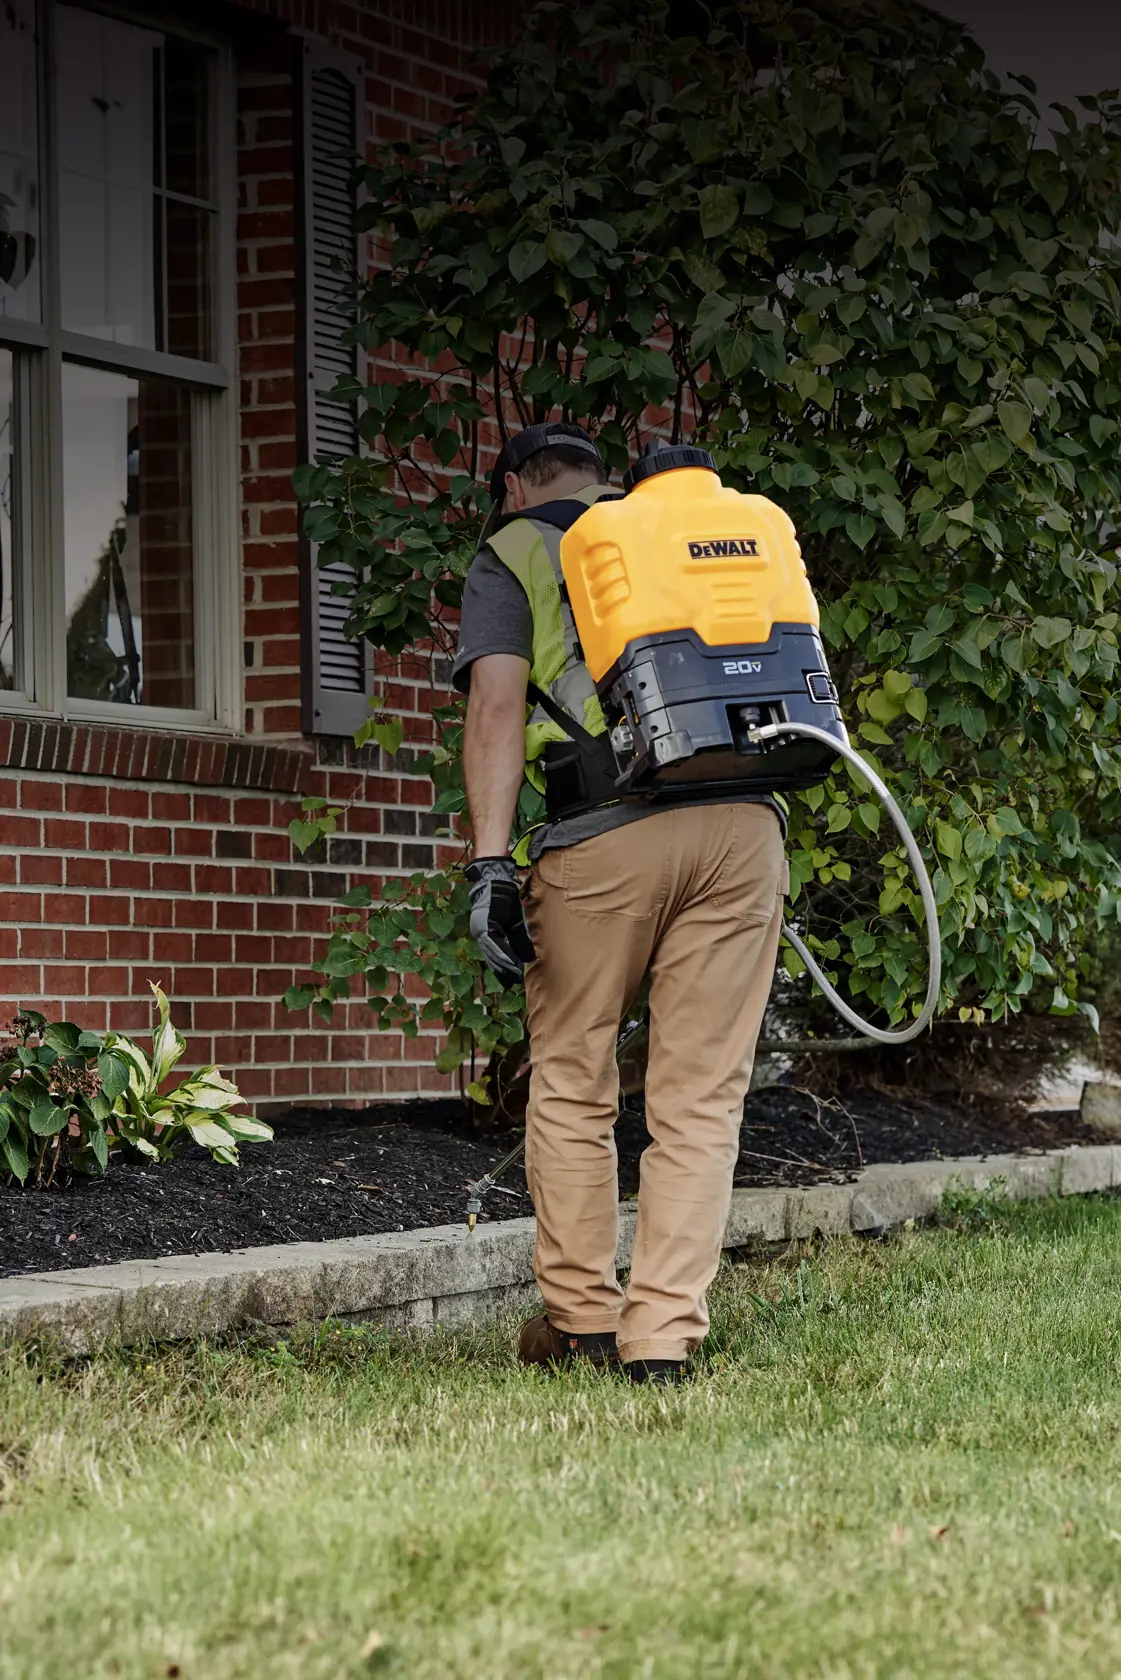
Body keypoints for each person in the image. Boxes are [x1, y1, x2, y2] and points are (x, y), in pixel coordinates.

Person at [453, 422, 787, 1385]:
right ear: (604, 480)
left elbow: (496, 709)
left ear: (516, 485)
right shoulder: (707, 534)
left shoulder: (517, 547)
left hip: (603, 834)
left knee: (572, 1076)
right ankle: (663, 1338)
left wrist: (489, 865)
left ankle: (586, 1320)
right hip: (741, 825)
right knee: (699, 1097)